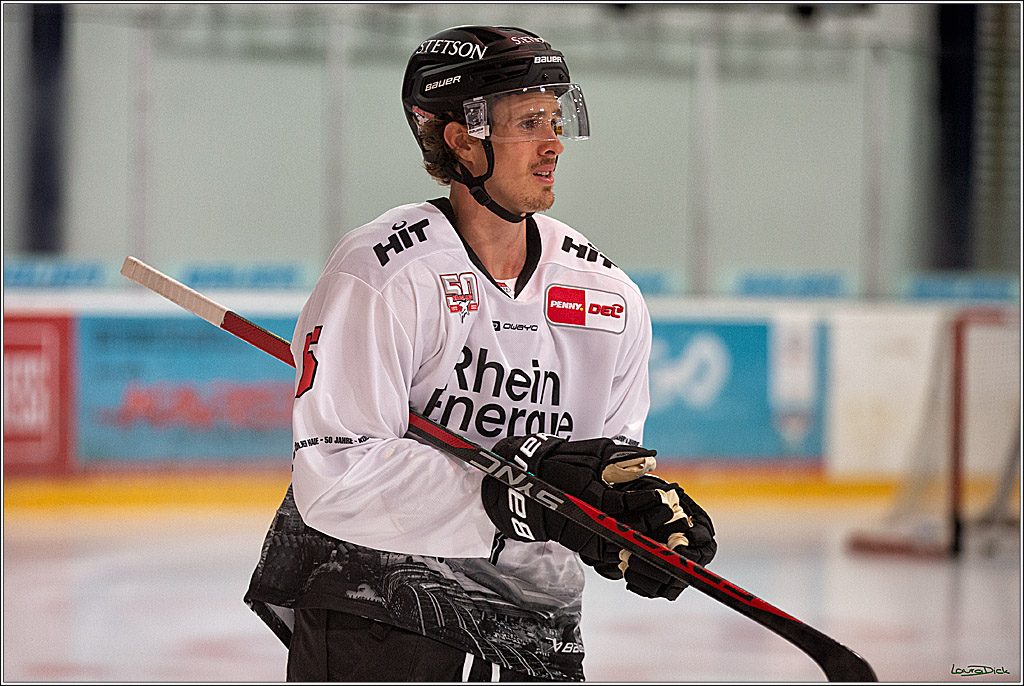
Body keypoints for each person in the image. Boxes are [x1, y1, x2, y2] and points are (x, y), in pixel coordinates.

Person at [244, 25, 716, 682]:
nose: (553, 143)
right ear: (461, 140)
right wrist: (511, 495)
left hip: (536, 631)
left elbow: (589, 472)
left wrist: (631, 523)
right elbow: (336, 479)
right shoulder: (380, 274)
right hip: (380, 609)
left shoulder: (607, 300)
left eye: (555, 118)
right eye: (528, 122)